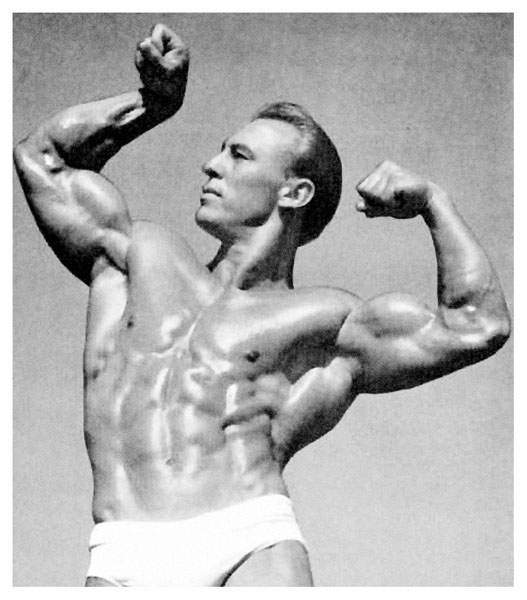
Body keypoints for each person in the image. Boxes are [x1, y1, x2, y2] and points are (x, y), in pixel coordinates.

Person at [13, 24, 510, 587]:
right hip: (121, 552)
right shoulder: (138, 258)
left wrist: (433, 203)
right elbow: (41, 156)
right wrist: (153, 104)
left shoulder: (325, 322)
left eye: (239, 156)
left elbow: (477, 325)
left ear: (294, 192)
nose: (211, 164)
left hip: (248, 540)